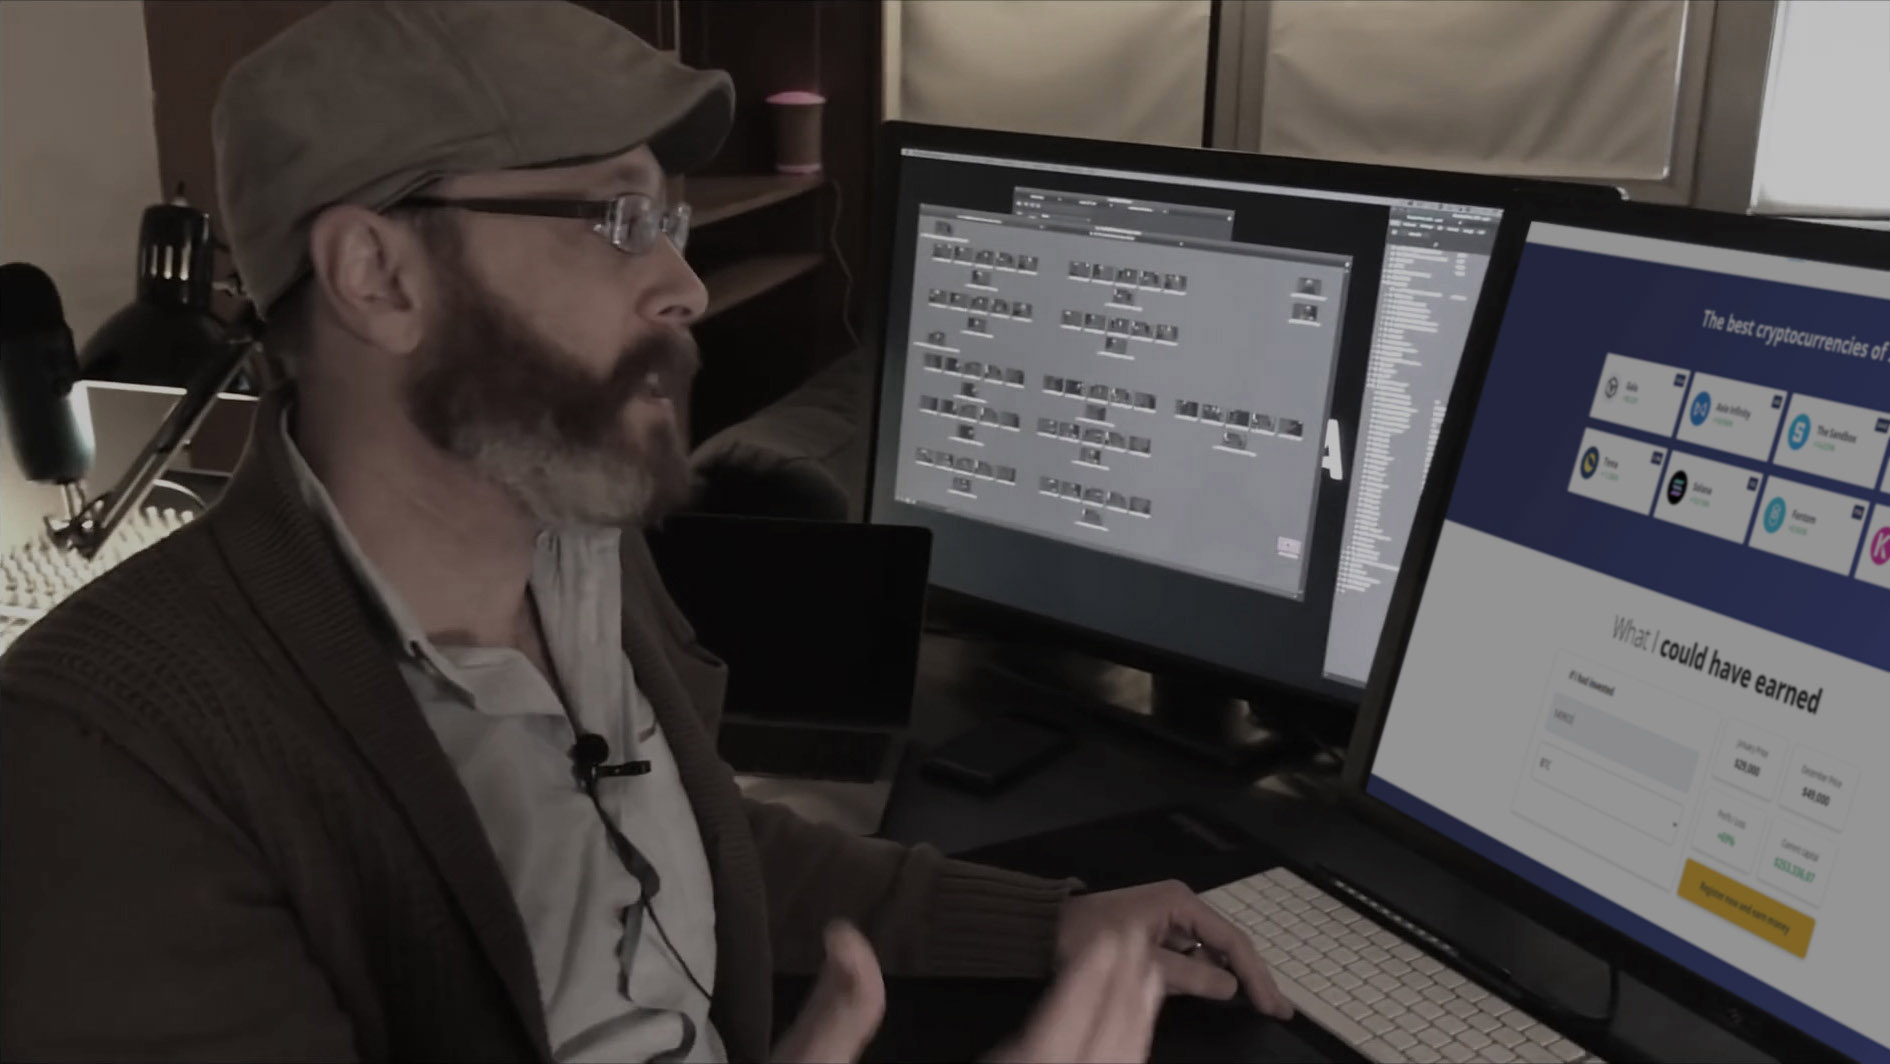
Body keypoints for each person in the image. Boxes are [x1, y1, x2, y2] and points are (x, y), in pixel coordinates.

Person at [0, 3, 1290, 1061]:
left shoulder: (578, 546)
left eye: (668, 221)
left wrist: (1041, 925)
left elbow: (700, 852)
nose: (683, 284)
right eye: (618, 219)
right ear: (378, 276)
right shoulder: (107, 761)